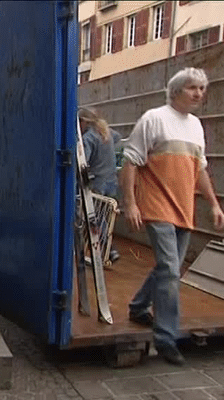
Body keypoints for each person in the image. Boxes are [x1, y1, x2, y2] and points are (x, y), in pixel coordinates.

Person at [120, 67, 224, 365]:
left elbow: (199, 170)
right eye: (192, 87)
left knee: (169, 268)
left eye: (202, 89)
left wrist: (214, 204)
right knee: (170, 269)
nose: (199, 94)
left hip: (184, 209)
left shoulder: (196, 127)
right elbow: (130, 162)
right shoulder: (154, 119)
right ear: (175, 90)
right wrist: (130, 203)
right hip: (156, 205)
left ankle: (139, 306)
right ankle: (166, 338)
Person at [78, 107, 121, 262]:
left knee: (94, 217)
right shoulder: (107, 133)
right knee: (105, 217)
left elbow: (84, 162)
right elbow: (118, 137)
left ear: (83, 122)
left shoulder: (88, 138)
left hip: (98, 183)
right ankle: (106, 249)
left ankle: (110, 250)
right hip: (112, 182)